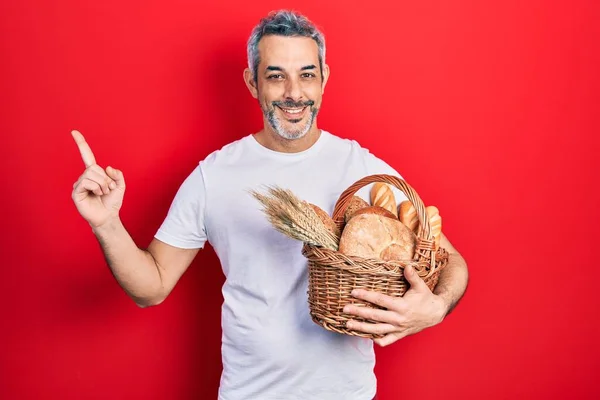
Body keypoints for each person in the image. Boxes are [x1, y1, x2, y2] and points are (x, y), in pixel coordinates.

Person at [70, 10, 469, 400]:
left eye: (307, 75)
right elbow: (151, 287)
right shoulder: (215, 175)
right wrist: (106, 224)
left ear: (324, 79)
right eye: (276, 76)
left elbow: (452, 260)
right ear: (252, 82)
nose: (294, 92)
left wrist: (435, 307)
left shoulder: (362, 169)